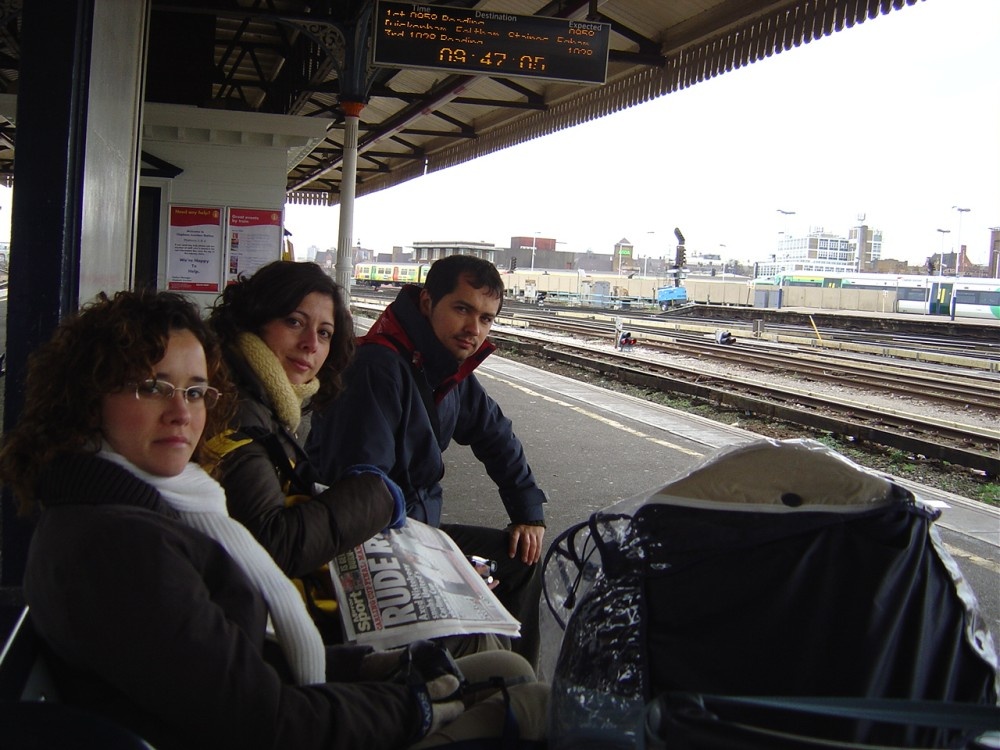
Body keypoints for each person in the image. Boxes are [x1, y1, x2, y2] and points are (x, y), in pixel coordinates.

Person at [0, 288, 547, 750]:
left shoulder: (154, 504)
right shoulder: (122, 546)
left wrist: (363, 668)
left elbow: (231, 662)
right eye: (152, 387)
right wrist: (413, 706)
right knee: (531, 701)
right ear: (87, 396)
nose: (182, 412)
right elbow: (262, 717)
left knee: (508, 672)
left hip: (267, 704)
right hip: (270, 729)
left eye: (195, 391)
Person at [205, 260, 503, 654]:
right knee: (487, 649)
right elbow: (277, 542)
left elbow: (496, 433)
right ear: (255, 319)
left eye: (324, 333)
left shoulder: (266, 405)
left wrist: (528, 513)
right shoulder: (240, 414)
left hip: (301, 587)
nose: (311, 344)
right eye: (294, 322)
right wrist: (380, 495)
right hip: (279, 626)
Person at [306, 255, 547, 667]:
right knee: (482, 594)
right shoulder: (378, 369)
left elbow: (495, 434)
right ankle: (491, 677)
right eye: (462, 309)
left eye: (486, 318)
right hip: (367, 547)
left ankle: (512, 675)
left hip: (418, 530)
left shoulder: (442, 368)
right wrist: (445, 568)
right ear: (426, 302)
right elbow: (362, 499)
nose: (474, 329)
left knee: (522, 557)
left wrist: (528, 512)